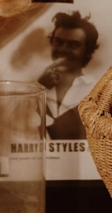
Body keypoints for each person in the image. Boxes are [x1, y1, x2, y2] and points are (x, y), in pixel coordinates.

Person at [37, 10, 99, 141]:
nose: (63, 50)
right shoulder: (36, 85)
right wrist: (39, 87)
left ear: (87, 51)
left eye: (73, 45)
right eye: (58, 42)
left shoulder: (97, 90)